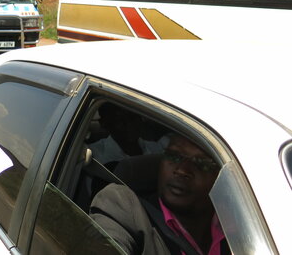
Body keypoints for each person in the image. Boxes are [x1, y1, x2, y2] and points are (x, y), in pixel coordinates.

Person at [90, 134, 230, 255]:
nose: (182, 170)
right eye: (174, 156)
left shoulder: (240, 220)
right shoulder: (122, 206)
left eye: (201, 164)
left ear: (222, 178)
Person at [87, 103, 165, 165]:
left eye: (133, 117)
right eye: (120, 121)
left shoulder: (156, 149)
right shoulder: (93, 156)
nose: (129, 125)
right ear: (105, 124)